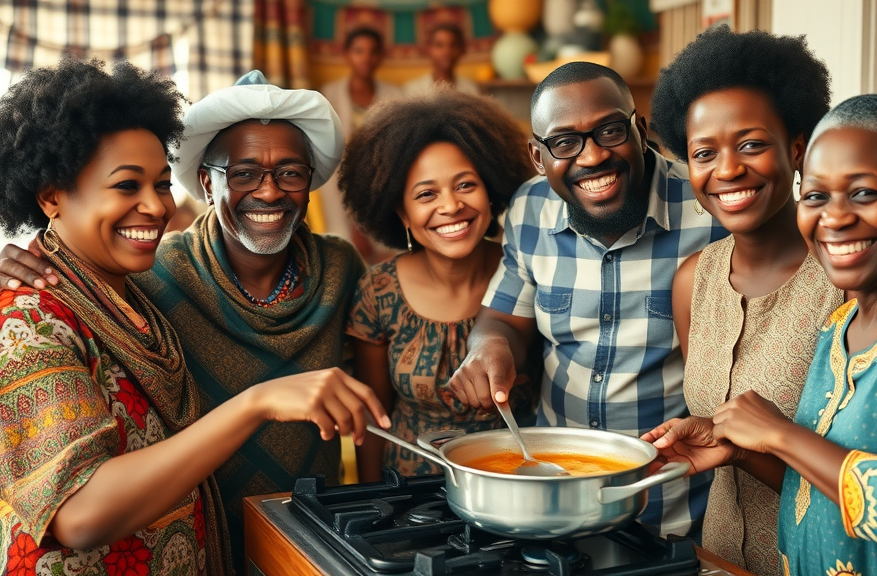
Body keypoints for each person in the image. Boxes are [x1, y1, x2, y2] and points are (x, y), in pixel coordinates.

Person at [0, 58, 387, 576]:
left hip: (299, 545)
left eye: (160, 186)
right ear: (207, 183)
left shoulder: (337, 270)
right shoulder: (143, 278)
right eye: (245, 173)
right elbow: (78, 513)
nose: (269, 191)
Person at [650, 94, 877, 574]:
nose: (835, 217)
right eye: (816, 196)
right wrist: (742, 447)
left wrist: (779, 434)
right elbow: (829, 485)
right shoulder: (841, 326)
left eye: (864, 193)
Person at [447, 62, 726, 537]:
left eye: (609, 131)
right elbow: (504, 320)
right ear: (538, 157)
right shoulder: (530, 207)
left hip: (676, 506)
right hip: (555, 502)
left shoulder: (709, 209)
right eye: (564, 143)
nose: (593, 156)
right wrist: (489, 347)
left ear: (639, 130)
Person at [640, 29, 837, 574]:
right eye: (705, 153)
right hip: (720, 560)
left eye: (750, 144)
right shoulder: (693, 283)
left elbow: (876, 482)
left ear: (796, 149)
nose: (726, 170)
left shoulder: (847, 280)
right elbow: (723, 430)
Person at [337, 89, 539, 481]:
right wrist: (373, 501)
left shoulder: (529, 270)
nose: (450, 206)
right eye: (426, 194)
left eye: (465, 185)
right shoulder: (378, 292)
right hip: (409, 496)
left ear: (492, 189)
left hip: (520, 486)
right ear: (402, 213)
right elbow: (375, 417)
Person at [319, 27, 401, 264]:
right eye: (358, 51)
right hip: (339, 178)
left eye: (372, 51)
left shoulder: (394, 94)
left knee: (387, 247)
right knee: (344, 245)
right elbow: (330, 150)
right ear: (346, 54)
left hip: (380, 179)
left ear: (381, 56)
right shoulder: (330, 94)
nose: (366, 58)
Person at [403, 23, 480, 96]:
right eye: (439, 45)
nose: (446, 52)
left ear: (461, 50)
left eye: (453, 45)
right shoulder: (412, 90)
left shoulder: (471, 90)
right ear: (428, 49)